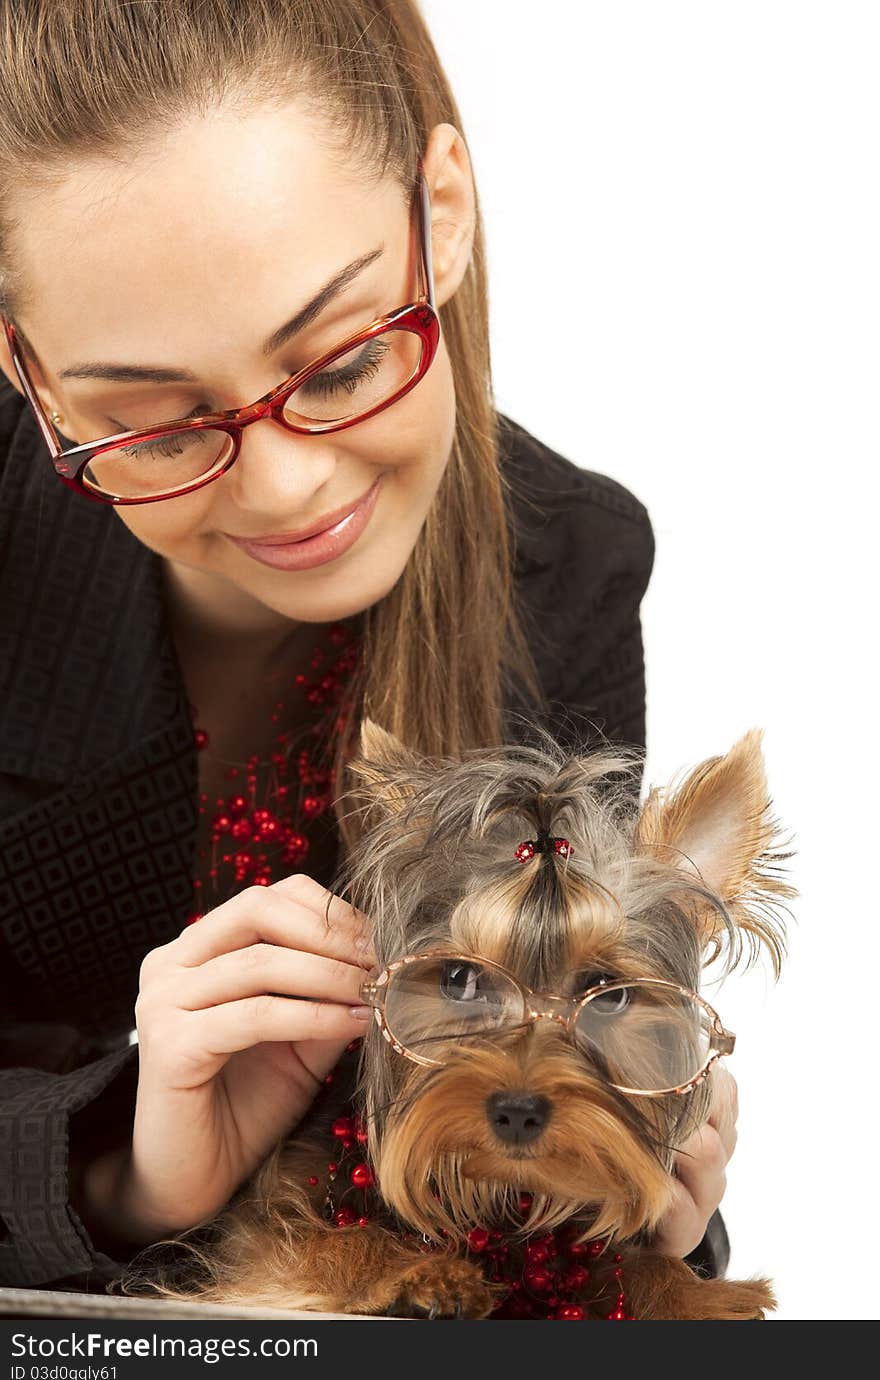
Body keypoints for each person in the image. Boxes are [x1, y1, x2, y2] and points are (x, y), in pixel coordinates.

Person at [0, 0, 733, 1299]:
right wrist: (117, 1167)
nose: (285, 489)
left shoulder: (565, 576)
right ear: (33, 376)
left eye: (339, 363)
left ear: (440, 216)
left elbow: (523, 1139)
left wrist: (649, 1173)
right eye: (153, 424)